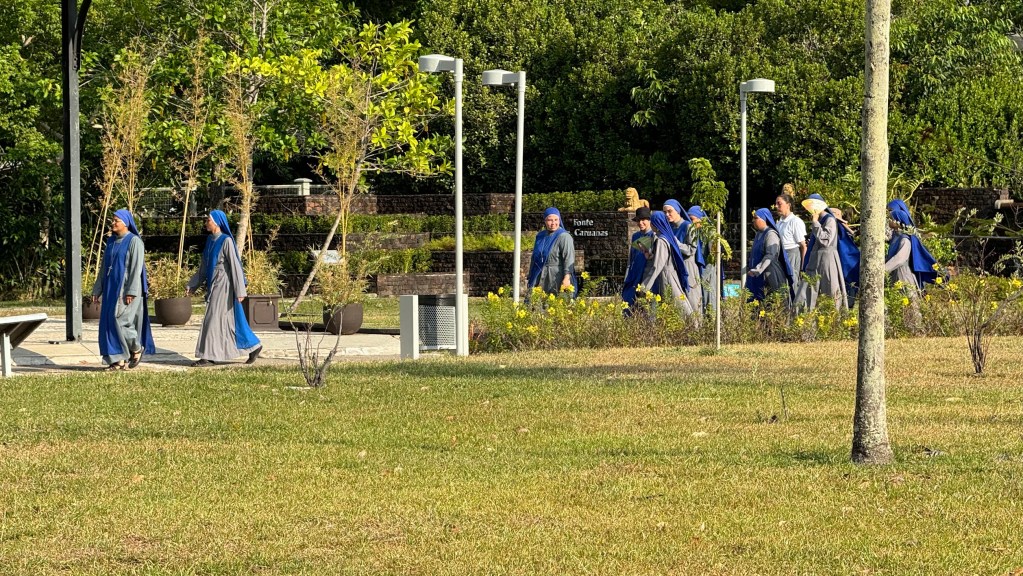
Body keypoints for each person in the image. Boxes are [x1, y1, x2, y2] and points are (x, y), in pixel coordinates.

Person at [185, 210, 262, 367]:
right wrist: (193, 284)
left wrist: (240, 290)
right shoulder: (210, 240)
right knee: (226, 321)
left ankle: (208, 356)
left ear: (217, 222)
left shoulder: (226, 241)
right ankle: (253, 346)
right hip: (214, 285)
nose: (206, 223)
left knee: (212, 319)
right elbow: (204, 266)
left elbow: (235, 265)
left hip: (224, 286)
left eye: (208, 220)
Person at [91, 209, 155, 370]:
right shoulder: (111, 241)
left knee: (121, 321)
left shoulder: (134, 241)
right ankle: (117, 360)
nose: (113, 223)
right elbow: (104, 268)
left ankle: (136, 348)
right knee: (108, 323)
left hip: (126, 288)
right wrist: (97, 289)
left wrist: (131, 291)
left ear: (126, 223)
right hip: (111, 288)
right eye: (112, 220)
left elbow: (136, 268)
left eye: (116, 220)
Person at [796, 194, 850, 311]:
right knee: (809, 289)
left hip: (827, 259)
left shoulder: (829, 219)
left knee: (830, 290)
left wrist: (815, 223)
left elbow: (826, 240)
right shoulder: (820, 220)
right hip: (815, 259)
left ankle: (833, 317)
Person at [639, 211, 693, 317]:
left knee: (678, 306)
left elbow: (658, 265)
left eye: (652, 222)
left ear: (656, 224)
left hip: (666, 277)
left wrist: (645, 286)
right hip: (667, 274)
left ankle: (693, 325)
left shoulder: (661, 240)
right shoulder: (664, 237)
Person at [662, 199, 703, 315]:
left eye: (670, 211)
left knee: (692, 301)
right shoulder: (669, 228)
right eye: (665, 212)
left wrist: (676, 244)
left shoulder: (688, 226)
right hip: (675, 268)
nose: (667, 214)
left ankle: (696, 325)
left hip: (688, 267)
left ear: (678, 211)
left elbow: (691, 249)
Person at [747, 208, 795, 305]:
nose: (753, 221)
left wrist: (758, 269)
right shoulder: (758, 234)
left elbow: (770, 255)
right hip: (757, 273)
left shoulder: (771, 234)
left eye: (756, 218)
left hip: (770, 272)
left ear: (764, 219)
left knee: (774, 301)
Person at [527, 207, 577, 297]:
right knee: (535, 302)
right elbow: (535, 257)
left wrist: (567, 278)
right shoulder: (540, 236)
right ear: (545, 221)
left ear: (559, 220)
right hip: (539, 275)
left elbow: (569, 258)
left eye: (556, 220)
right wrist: (531, 275)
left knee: (556, 302)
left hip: (556, 277)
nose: (553, 223)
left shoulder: (564, 236)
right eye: (550, 220)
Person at [886, 208, 937, 293]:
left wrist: (883, 270)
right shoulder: (896, 237)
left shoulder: (905, 240)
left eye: (891, 218)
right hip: (895, 274)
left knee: (907, 298)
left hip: (903, 275)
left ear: (897, 221)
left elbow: (900, 259)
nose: (889, 220)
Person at [622, 206, 656, 311]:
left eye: (643, 220)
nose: (640, 223)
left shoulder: (655, 236)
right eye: (638, 220)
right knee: (629, 305)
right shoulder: (635, 236)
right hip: (635, 274)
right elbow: (632, 257)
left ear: (649, 220)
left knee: (647, 308)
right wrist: (627, 275)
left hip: (647, 275)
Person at [688, 205, 717, 312]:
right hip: (698, 271)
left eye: (692, 219)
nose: (690, 223)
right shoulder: (694, 232)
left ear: (701, 219)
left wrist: (704, 275)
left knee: (709, 298)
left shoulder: (710, 232)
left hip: (708, 272)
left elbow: (713, 257)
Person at [774, 186, 808, 277]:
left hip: (792, 255)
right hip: (780, 255)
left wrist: (803, 267)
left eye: (779, 204)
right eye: (776, 204)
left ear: (788, 205)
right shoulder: (779, 223)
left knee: (792, 281)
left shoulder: (795, 222)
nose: (776, 206)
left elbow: (803, 246)